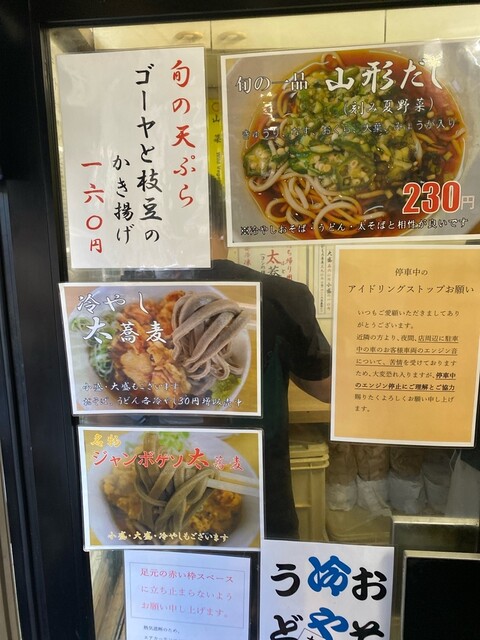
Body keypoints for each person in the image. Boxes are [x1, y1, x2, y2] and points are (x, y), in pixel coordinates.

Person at [187, 176, 332, 539]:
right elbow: (327, 389)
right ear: (226, 225)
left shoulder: (133, 296)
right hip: (260, 503)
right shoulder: (282, 296)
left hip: (156, 499)